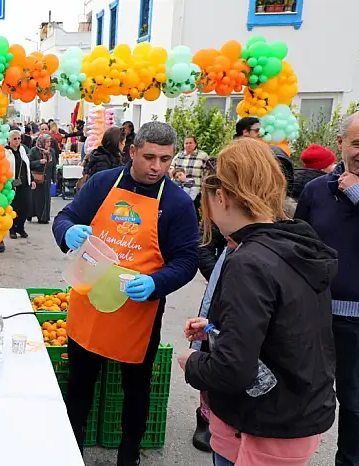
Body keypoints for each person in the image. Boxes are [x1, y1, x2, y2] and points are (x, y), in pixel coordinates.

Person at [181, 138, 337, 466]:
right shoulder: (297, 242)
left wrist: (193, 364)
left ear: (220, 196)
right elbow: (282, 332)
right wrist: (213, 330)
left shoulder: (248, 261)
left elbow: (233, 370)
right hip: (298, 412)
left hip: (261, 425)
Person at [53, 121, 199, 465]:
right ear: (132, 151)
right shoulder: (104, 184)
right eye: (149, 157)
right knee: (80, 387)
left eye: (165, 159)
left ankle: (129, 454)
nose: (156, 167)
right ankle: (70, 448)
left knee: (136, 390)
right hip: (89, 306)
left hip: (138, 314)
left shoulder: (176, 203)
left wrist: (157, 284)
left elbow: (187, 259)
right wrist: (68, 231)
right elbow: (65, 216)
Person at [295, 110, 359, 466]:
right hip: (315, 315)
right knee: (303, 394)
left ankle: (350, 462)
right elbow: (299, 246)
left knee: (356, 403)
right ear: (340, 144)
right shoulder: (315, 190)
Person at [6, 130, 33, 239]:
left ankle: (20, 227)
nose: (17, 141)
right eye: (14, 139)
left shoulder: (22, 150)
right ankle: (12, 229)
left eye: (19, 138)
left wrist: (32, 179)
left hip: (24, 182)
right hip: (12, 183)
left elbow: (27, 165)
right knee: (14, 207)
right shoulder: (6, 152)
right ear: (9, 140)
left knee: (26, 206)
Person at [29, 133, 54, 224]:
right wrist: (39, 162)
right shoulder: (34, 151)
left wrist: (54, 178)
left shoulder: (51, 151)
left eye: (49, 141)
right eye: (47, 142)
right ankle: (31, 214)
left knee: (46, 199)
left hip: (47, 178)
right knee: (36, 199)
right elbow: (29, 163)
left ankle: (43, 217)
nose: (48, 144)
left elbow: (53, 165)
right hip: (37, 178)